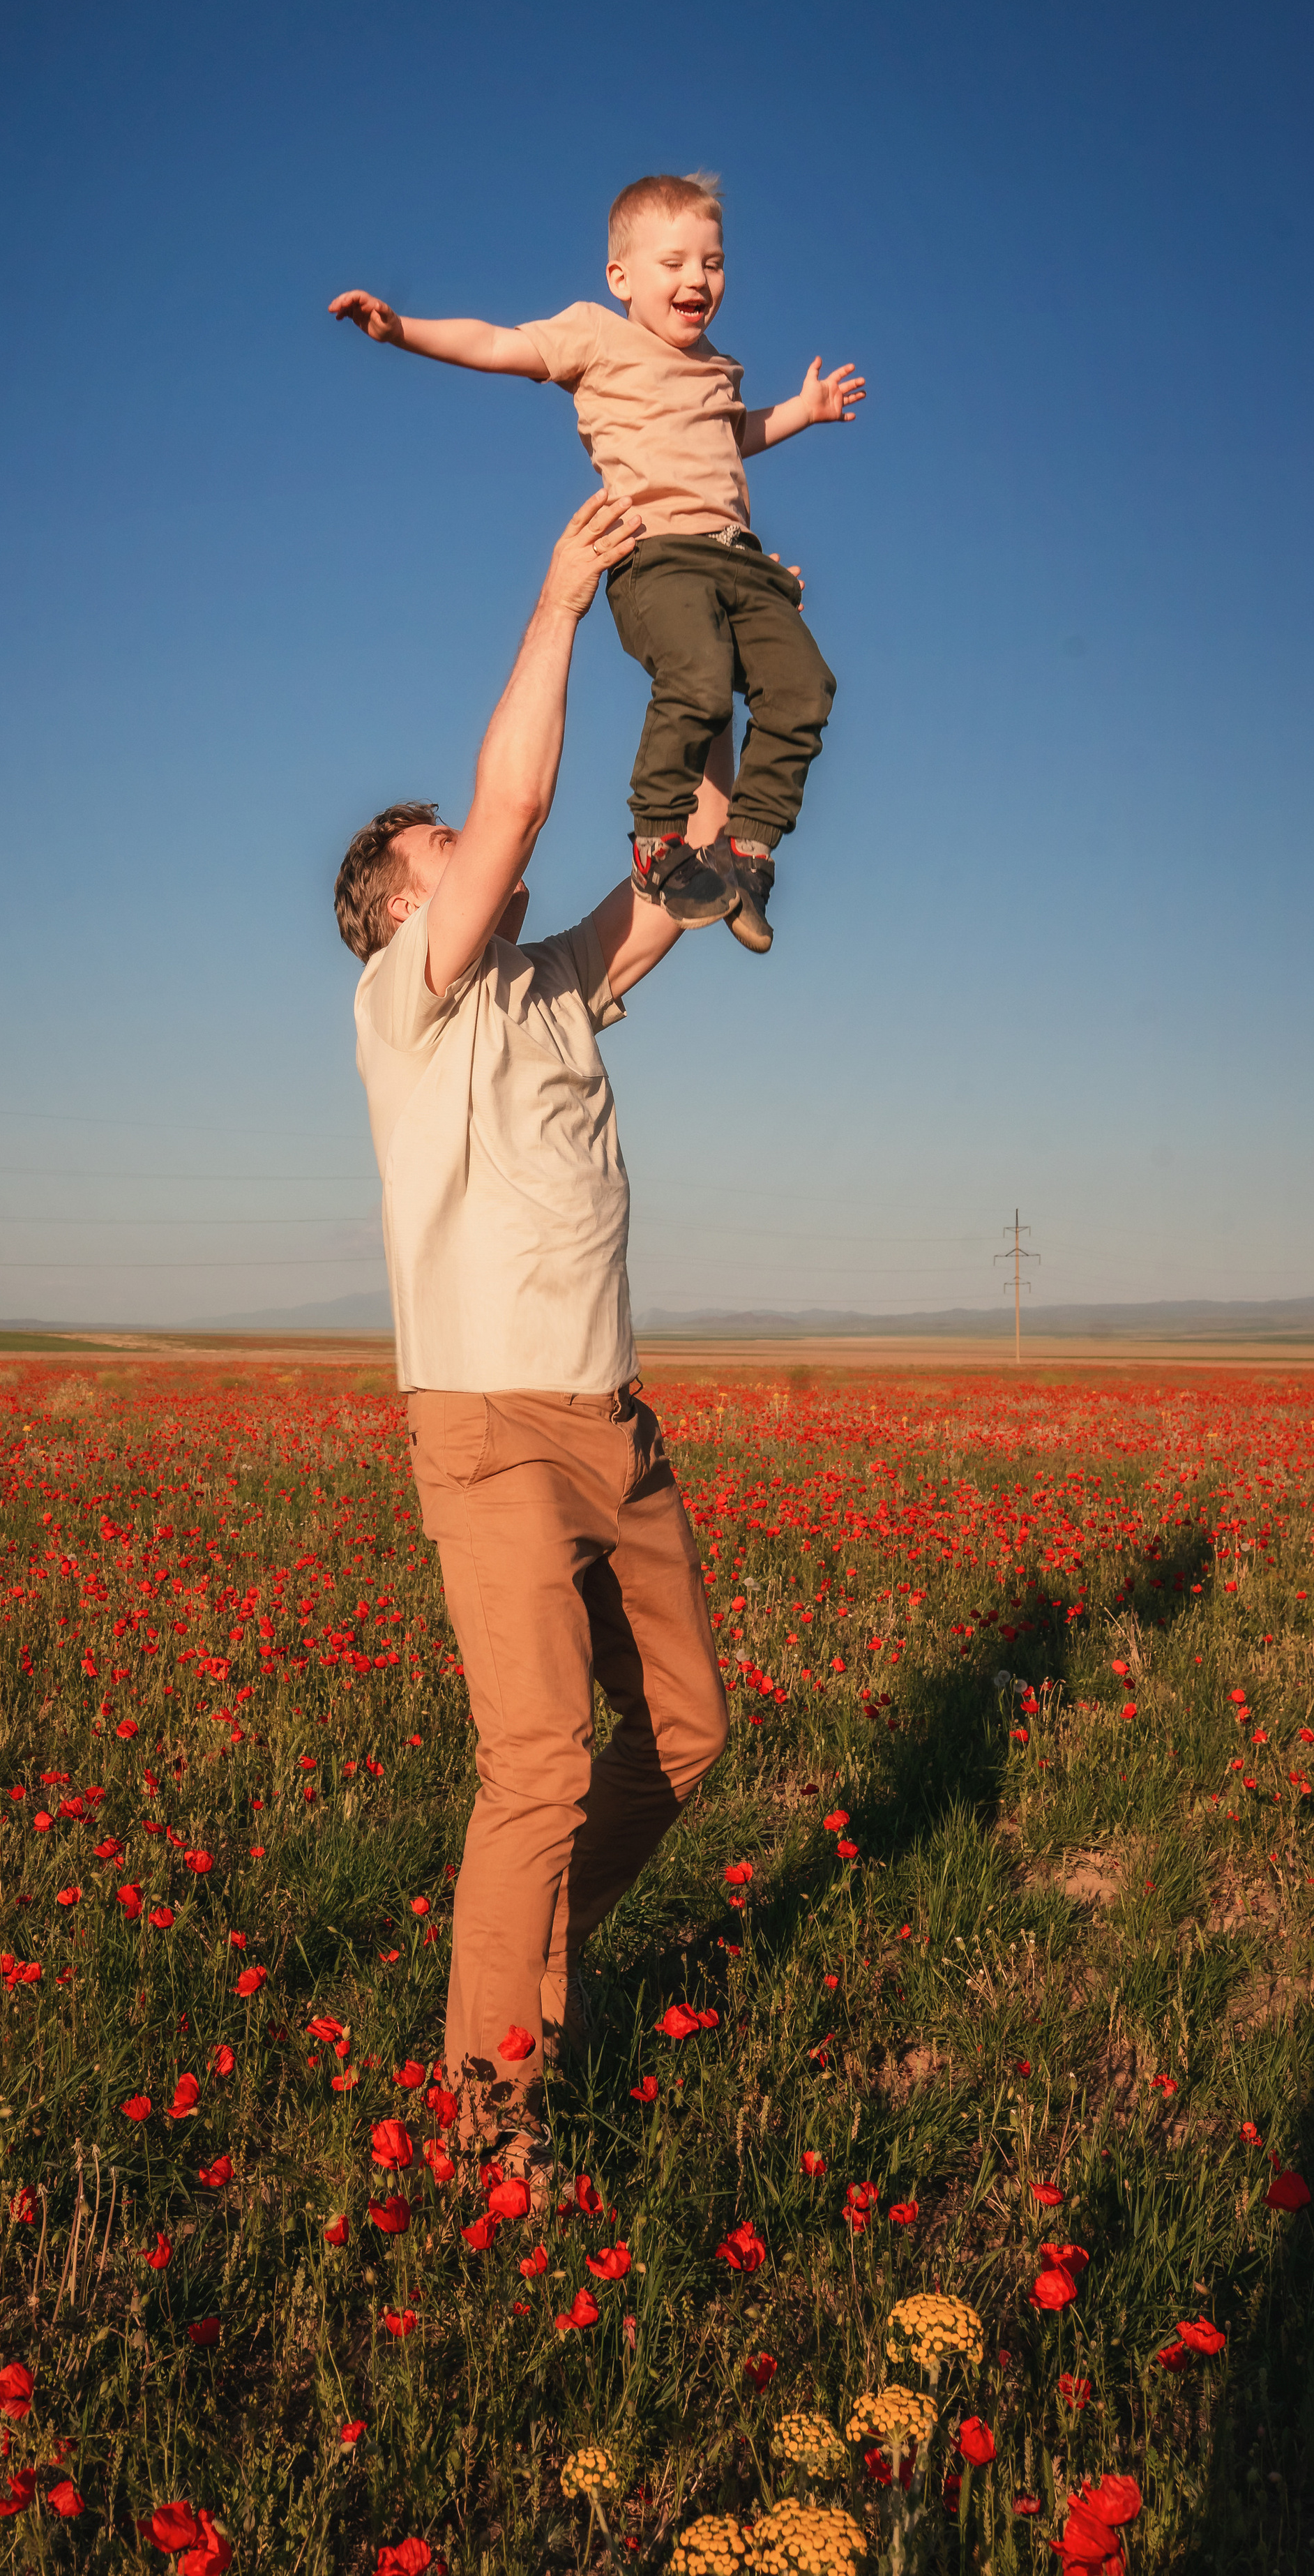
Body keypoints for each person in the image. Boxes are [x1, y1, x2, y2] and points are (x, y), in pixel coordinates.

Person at [333, 488, 730, 2183]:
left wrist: (717, 672)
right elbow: (516, 801)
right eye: (429, 843)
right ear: (391, 905)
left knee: (691, 1732)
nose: (463, 840)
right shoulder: (405, 1000)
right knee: (538, 1761)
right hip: (488, 1424)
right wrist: (561, 601)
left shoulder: (547, 984)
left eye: (450, 835)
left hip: (610, 1424)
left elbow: (673, 886)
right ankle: (482, 2127)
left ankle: (519, 1949)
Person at [331, 169, 863, 955]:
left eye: (712, 263)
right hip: (661, 559)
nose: (697, 279)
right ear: (620, 277)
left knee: (806, 688)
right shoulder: (596, 335)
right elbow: (496, 343)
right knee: (699, 680)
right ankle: (658, 840)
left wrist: (801, 413)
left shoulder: (717, 368)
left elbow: (730, 437)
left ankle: (748, 847)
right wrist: (402, 328)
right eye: (673, 263)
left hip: (740, 561)